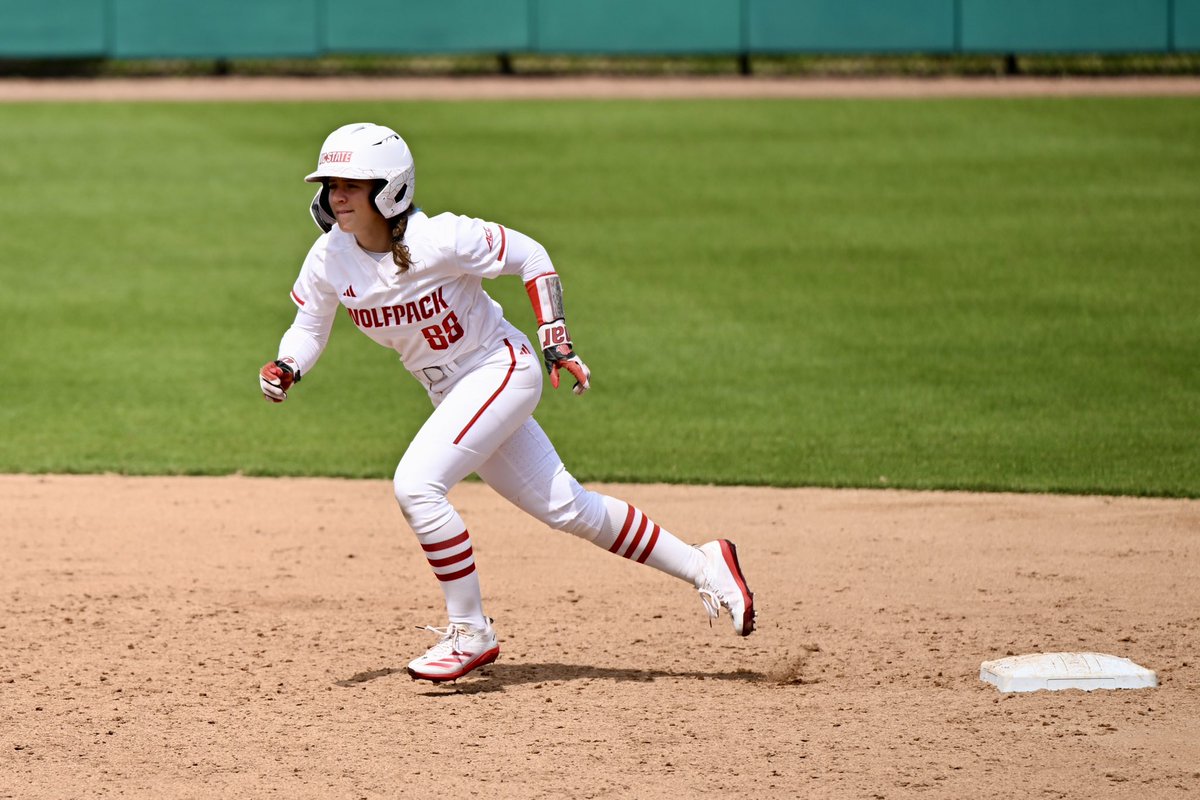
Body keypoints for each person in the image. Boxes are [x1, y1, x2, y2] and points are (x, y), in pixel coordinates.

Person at [259, 122, 755, 683]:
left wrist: (555, 336)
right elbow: (309, 324)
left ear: (389, 189)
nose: (336, 195)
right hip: (452, 392)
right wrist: (289, 364)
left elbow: (532, 255)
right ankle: (705, 562)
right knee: (569, 507)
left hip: (500, 370)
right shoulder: (329, 258)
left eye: (353, 183)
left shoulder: (441, 238)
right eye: (330, 184)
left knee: (417, 485)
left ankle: (469, 631)